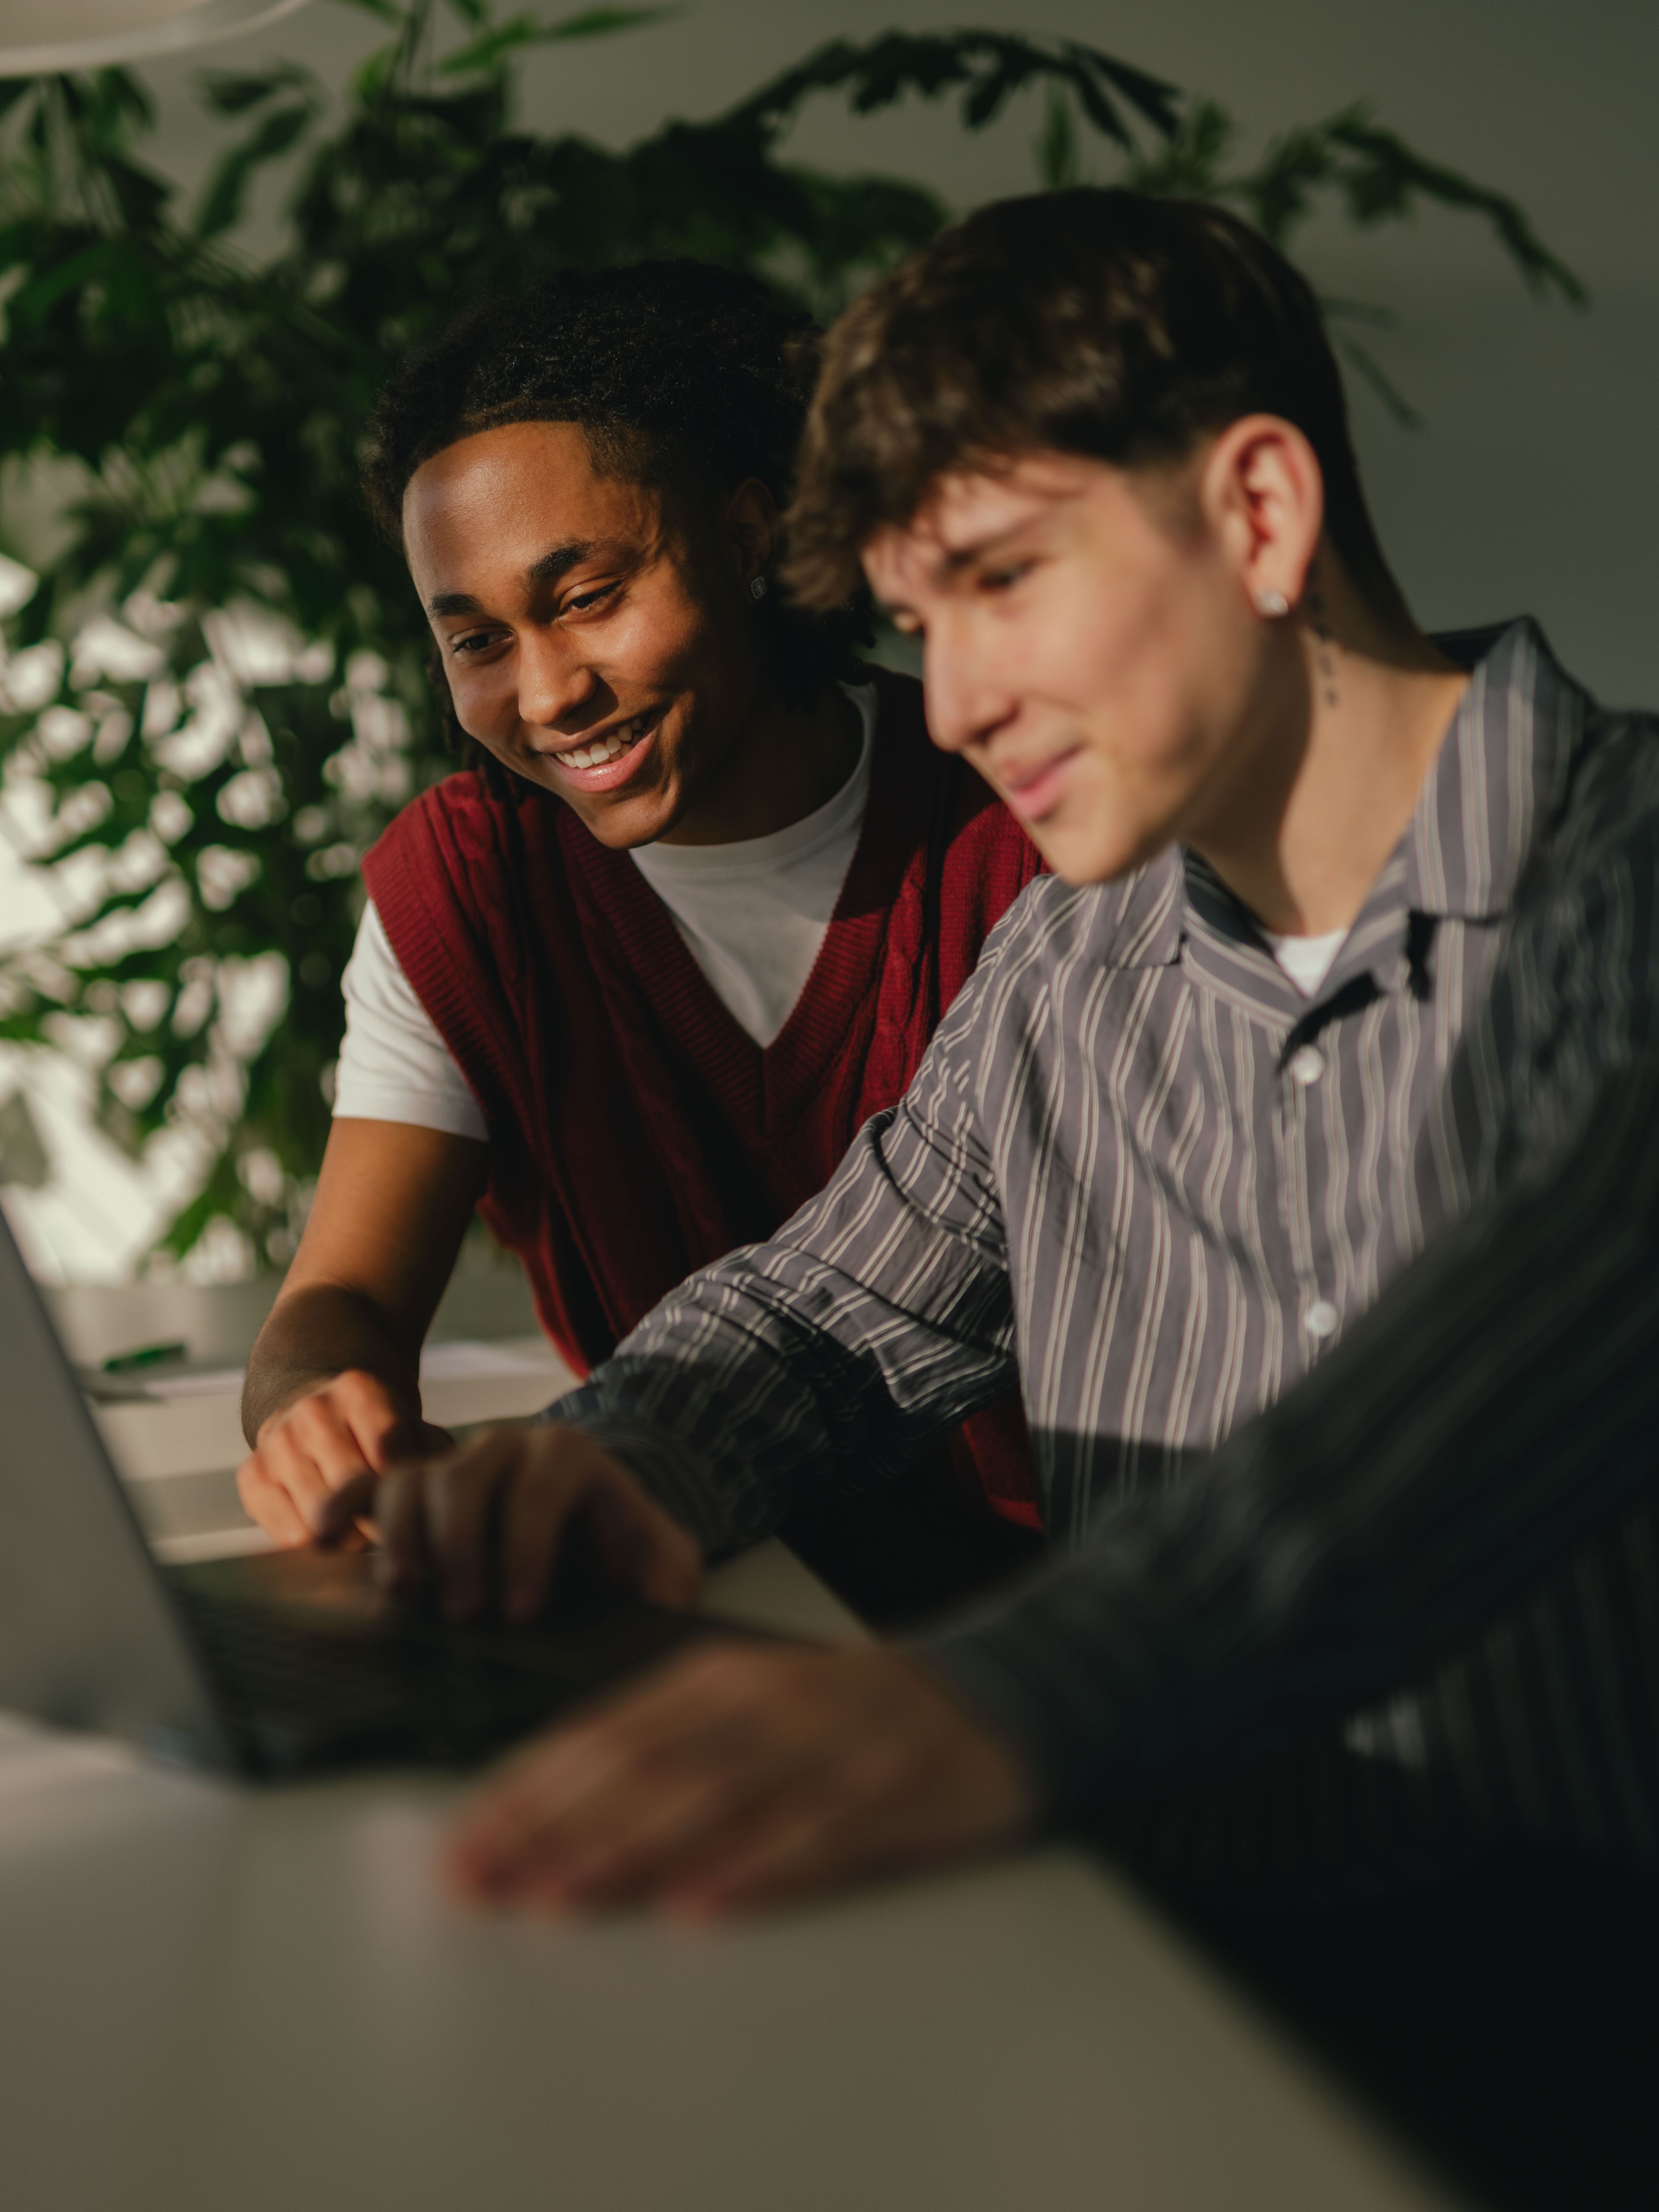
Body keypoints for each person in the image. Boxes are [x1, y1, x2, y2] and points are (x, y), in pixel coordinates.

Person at [314, 190, 1659, 1920]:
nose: (948, 705)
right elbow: (816, 1314)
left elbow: (1527, 1358)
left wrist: (1004, 1687)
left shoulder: (1621, 882)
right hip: (1165, 1956)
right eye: (917, 620)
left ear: (1258, 511)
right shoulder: (1072, 960)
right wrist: (607, 1456)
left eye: (1001, 580)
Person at [234, 263, 1043, 1603]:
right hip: (697, 1593)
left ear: (746, 534)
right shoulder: (476, 888)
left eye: (588, 596)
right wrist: (314, 1406)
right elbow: (340, 1303)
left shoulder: (1025, 819)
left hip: (1058, 1635)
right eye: (478, 639)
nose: (546, 692)